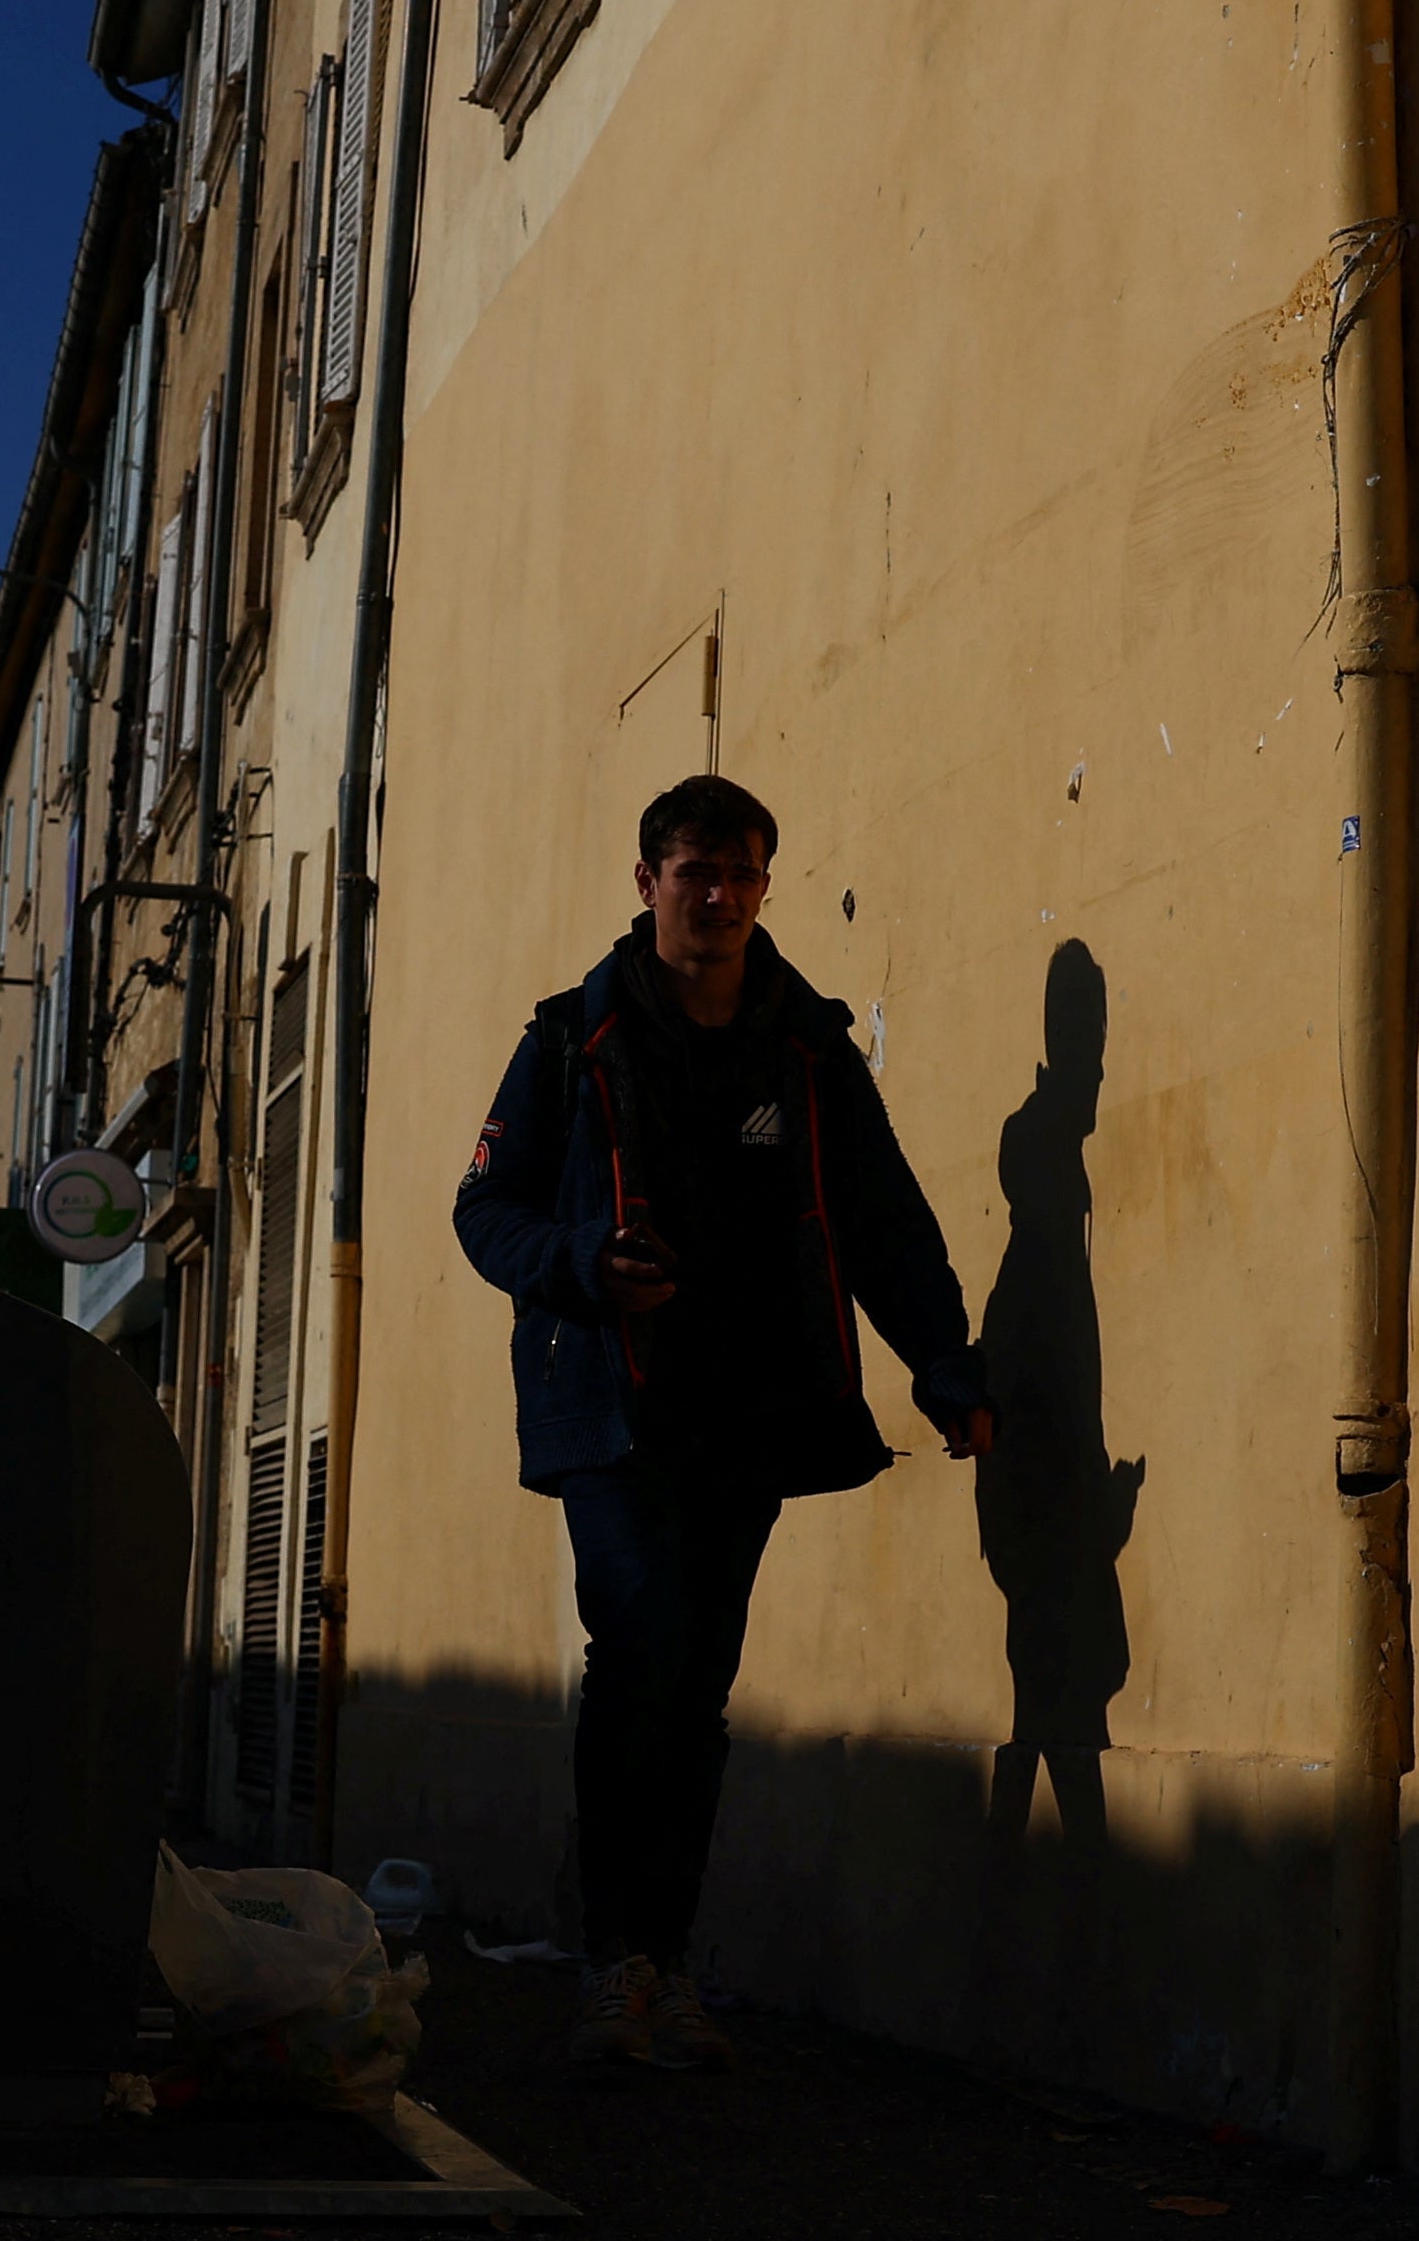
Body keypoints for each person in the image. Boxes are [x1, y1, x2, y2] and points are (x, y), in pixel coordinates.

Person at [454, 774, 994, 2075]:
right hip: (608, 1398)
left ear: (762, 886)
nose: (717, 896)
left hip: (751, 1401)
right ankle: (613, 1961)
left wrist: (943, 1362)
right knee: (636, 1641)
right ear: (646, 883)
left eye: (741, 874)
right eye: (693, 872)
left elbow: (882, 1214)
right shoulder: (568, 1040)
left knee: (693, 1682)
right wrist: (586, 1266)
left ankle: (662, 1966)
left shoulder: (802, 1048)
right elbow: (486, 1211)